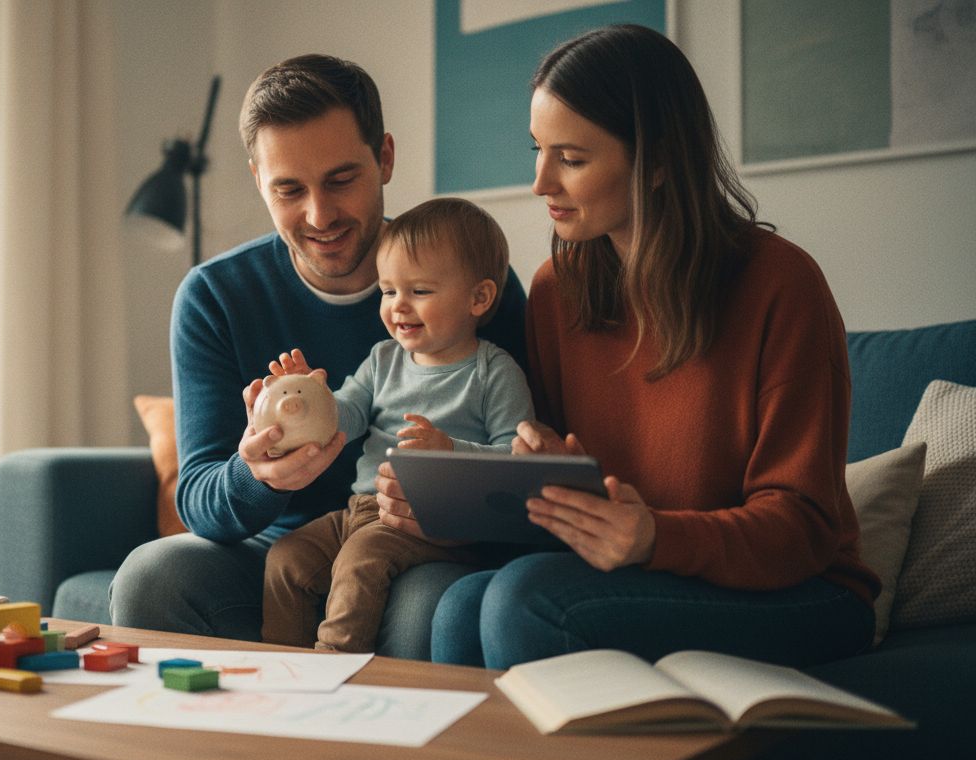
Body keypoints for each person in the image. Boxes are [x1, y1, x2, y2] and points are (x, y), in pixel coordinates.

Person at [374, 24, 879, 669]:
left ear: (661, 160)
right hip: (644, 569)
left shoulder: (780, 284)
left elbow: (805, 531)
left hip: (804, 595)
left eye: (572, 159)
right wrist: (470, 500)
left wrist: (654, 537)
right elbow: (563, 503)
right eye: (538, 149)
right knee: (458, 604)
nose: (540, 183)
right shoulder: (559, 290)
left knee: (521, 602)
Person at [109, 54, 530, 659]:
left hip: (426, 550)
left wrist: (453, 503)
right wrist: (257, 474)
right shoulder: (215, 297)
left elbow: (525, 466)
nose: (319, 215)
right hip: (287, 544)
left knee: (422, 604)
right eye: (289, 189)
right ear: (258, 179)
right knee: (153, 575)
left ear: (384, 157)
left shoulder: (469, 283)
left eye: (340, 179)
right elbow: (201, 497)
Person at [260, 198, 532, 653]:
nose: (398, 306)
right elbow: (346, 412)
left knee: (360, 561)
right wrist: (312, 400)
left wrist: (451, 453)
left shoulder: (494, 372)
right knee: (287, 557)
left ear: (478, 298)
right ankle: (283, 665)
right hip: (361, 508)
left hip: (429, 522)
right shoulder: (384, 359)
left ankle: (334, 665)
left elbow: (517, 461)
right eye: (388, 292)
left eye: (419, 291)